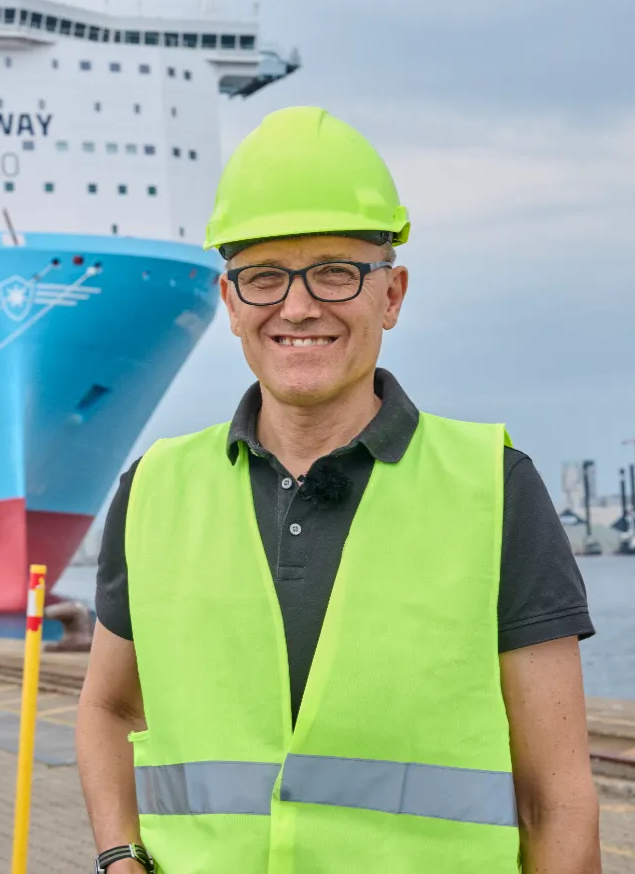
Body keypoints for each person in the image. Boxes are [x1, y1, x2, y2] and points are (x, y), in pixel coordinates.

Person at [77, 106, 600, 874]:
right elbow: (108, 706)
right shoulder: (154, 488)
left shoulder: (494, 488)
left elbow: (555, 796)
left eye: (335, 272)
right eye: (264, 278)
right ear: (231, 305)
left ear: (391, 295)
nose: (297, 306)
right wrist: (120, 857)